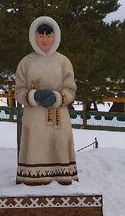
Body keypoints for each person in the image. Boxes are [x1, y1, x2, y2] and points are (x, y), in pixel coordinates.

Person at [14, 15, 78, 186]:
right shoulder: (25, 63)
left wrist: (58, 97)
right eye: (41, 36)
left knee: (59, 149)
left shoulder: (63, 62)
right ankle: (32, 183)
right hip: (34, 121)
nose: (45, 40)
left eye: (48, 36)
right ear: (33, 36)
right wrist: (33, 96)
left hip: (59, 119)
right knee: (35, 150)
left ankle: (62, 181)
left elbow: (71, 90)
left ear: (55, 36)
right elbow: (19, 91)